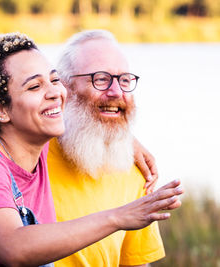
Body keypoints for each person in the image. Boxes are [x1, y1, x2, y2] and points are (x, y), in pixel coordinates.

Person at [0, 32, 183, 267]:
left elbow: (83, 120)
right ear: (0, 110)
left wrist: (124, 136)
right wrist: (117, 218)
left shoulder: (37, 147)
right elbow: (14, 248)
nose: (54, 92)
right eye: (35, 87)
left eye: (54, 80)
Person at [45, 29, 179, 266]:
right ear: (63, 88)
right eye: (100, 78)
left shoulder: (134, 169)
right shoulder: (30, 154)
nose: (116, 92)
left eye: (125, 80)